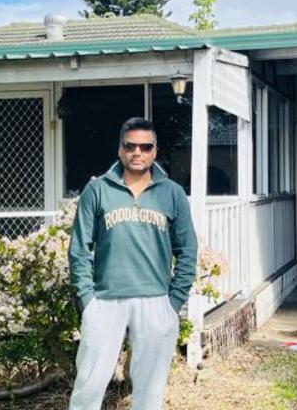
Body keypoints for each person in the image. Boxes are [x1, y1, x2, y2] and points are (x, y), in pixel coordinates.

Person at [67, 117, 197, 410]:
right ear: (120, 149)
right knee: (88, 385)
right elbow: (79, 248)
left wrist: (173, 302)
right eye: (130, 146)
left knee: (150, 391)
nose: (137, 152)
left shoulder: (172, 193)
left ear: (154, 151)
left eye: (145, 146)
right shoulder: (98, 190)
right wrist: (88, 301)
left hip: (156, 301)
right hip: (105, 301)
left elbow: (187, 249)